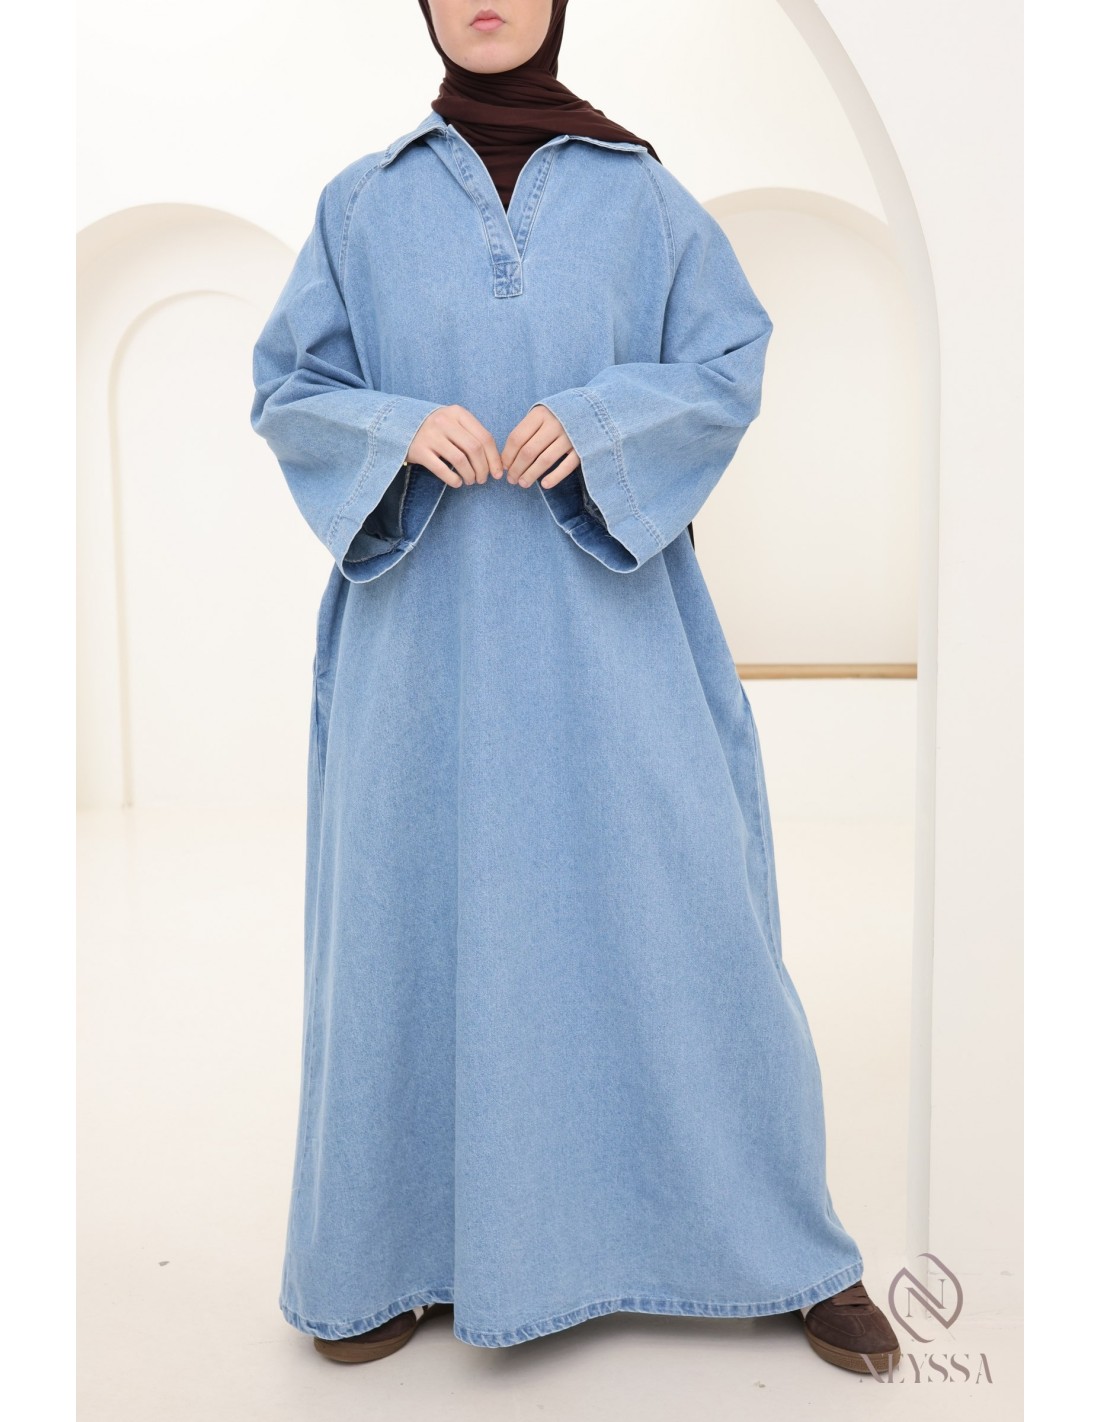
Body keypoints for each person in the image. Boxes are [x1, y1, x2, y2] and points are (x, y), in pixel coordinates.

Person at [249, 0, 900, 1376]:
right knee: (405, 915)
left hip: (617, 638)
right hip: (421, 648)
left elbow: (727, 360)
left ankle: (779, 1245)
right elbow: (290, 387)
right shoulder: (360, 206)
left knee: (691, 910)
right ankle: (384, 1248)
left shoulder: (645, 197)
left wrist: (603, 418)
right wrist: (391, 425)